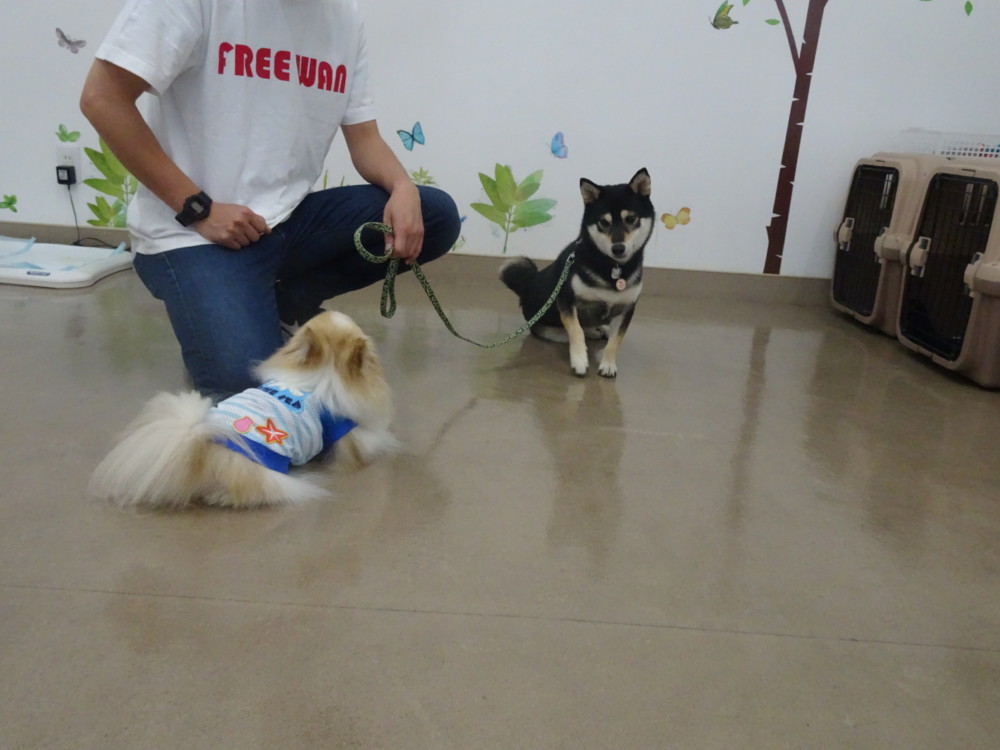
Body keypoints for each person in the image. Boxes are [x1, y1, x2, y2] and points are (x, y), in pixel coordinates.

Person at [80, 0, 461, 399]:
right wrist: (198, 208)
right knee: (249, 395)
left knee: (434, 215)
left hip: (284, 223)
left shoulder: (343, 17)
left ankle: (283, 301)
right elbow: (102, 98)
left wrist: (402, 186)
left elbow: (364, 137)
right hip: (191, 234)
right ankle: (239, 317)